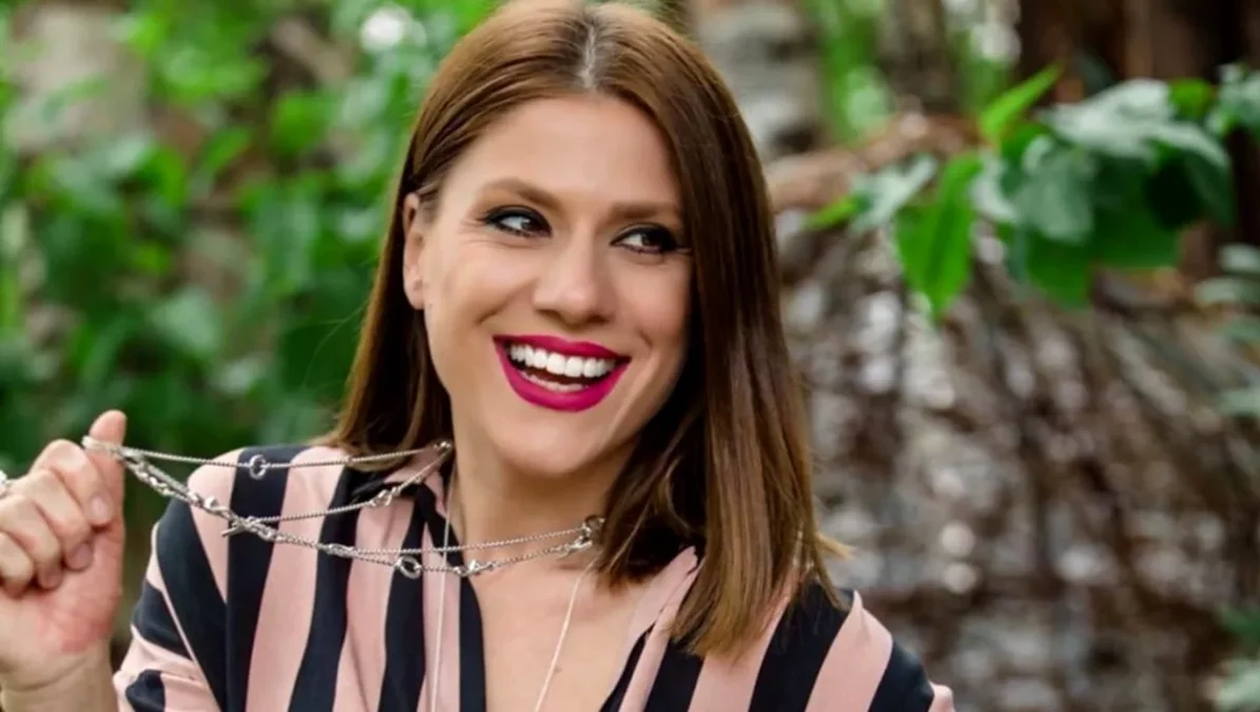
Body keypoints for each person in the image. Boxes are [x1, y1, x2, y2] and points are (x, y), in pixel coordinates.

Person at [0, 1, 956, 710]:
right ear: (418, 248)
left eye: (648, 239)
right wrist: (53, 689)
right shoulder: (246, 546)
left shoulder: (828, 676)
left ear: (714, 293)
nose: (575, 293)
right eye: (519, 220)